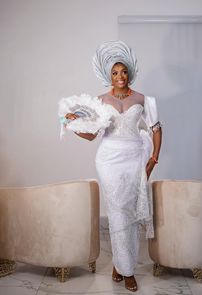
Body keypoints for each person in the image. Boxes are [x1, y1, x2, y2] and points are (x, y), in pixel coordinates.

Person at [65, 40, 162, 292]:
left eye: (123, 71)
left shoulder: (144, 99)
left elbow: (156, 130)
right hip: (108, 160)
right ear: (109, 75)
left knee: (128, 212)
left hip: (135, 159)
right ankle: (128, 271)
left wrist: (153, 160)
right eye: (115, 73)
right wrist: (73, 124)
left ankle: (120, 266)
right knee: (118, 210)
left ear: (129, 72)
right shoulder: (100, 101)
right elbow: (91, 135)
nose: (120, 76)